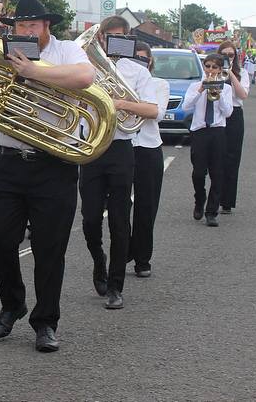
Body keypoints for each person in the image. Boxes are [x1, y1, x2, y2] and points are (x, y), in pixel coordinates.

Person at [0, 0, 95, 353]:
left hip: (54, 163)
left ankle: (45, 322)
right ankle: (12, 304)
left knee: (49, 248)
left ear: (47, 26)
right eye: (21, 26)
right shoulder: (4, 52)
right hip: (10, 160)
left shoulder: (68, 51)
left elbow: (85, 76)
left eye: (33, 25)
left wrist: (34, 72)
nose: (26, 31)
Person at [78, 17, 159, 310]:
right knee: (89, 219)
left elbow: (152, 110)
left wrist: (121, 103)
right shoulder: (87, 70)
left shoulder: (138, 72)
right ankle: (99, 262)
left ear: (127, 38)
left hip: (123, 148)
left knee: (120, 221)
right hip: (93, 149)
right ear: (100, 39)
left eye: (119, 37)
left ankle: (115, 286)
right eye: (108, 37)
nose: (113, 42)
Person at [130, 42, 170, 278]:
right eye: (134, 59)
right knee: (119, 207)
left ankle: (142, 258)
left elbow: (157, 112)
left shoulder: (159, 84)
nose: (138, 63)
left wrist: (129, 102)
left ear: (150, 62)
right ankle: (124, 251)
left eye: (143, 59)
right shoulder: (116, 82)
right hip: (123, 147)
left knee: (146, 207)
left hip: (148, 147)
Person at [183, 53, 234, 227]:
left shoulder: (226, 88)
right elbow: (186, 106)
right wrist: (201, 90)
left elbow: (228, 113)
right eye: (208, 66)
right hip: (200, 131)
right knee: (198, 172)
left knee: (217, 173)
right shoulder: (195, 85)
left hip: (218, 131)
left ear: (220, 70)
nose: (210, 70)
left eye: (214, 67)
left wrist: (218, 94)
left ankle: (211, 212)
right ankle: (199, 198)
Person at [217, 40, 250, 213]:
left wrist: (230, 75)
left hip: (235, 115)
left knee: (232, 158)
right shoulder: (212, 69)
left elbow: (243, 95)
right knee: (215, 157)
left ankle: (227, 201)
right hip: (218, 114)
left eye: (231, 55)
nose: (228, 58)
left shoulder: (242, 72)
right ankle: (213, 197)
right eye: (224, 55)